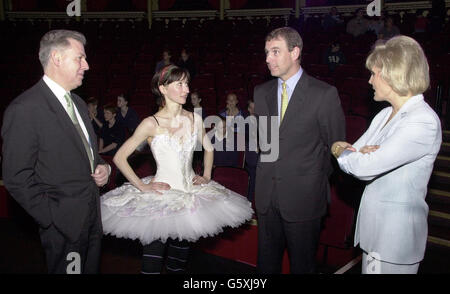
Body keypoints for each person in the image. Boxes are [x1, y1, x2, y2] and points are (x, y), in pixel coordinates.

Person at [100, 65, 253, 274]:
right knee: (152, 263)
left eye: (187, 84)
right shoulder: (150, 123)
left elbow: (209, 149)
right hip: (160, 196)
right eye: (179, 84)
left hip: (189, 196)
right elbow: (119, 157)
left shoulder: (194, 118)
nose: (186, 89)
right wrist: (142, 187)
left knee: (177, 264)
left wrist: (207, 175)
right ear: (163, 88)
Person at [1, 30, 110, 274]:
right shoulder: (25, 108)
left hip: (92, 218)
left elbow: (89, 154)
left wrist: (104, 167)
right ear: (57, 58)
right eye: (79, 58)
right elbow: (16, 178)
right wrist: (53, 218)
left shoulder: (79, 104)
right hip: (63, 226)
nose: (87, 65)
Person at [331, 35, 442, 274]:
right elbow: (356, 158)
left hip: (395, 239)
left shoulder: (422, 120)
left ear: (394, 73)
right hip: (374, 234)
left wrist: (345, 152)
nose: (370, 80)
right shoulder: (384, 115)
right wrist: (349, 153)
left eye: (374, 73)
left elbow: (361, 167)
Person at [254, 27, 345, 274]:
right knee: (266, 267)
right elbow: (267, 144)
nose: (267, 59)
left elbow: (335, 149)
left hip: (304, 200)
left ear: (295, 52)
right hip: (266, 197)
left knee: (303, 267)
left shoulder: (324, 95)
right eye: (266, 52)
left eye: (275, 52)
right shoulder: (261, 93)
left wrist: (310, 177)